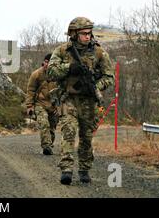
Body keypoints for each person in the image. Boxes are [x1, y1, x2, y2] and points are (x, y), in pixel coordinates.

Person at [47, 17, 114, 185]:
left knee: (86, 136)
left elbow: (109, 77)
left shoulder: (99, 52)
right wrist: (69, 68)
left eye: (90, 33)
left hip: (88, 101)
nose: (88, 36)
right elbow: (51, 72)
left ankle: (84, 168)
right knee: (68, 131)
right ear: (74, 34)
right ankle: (66, 169)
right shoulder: (62, 51)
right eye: (84, 33)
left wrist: (95, 86)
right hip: (68, 99)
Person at [26, 53, 59, 155]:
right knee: (44, 124)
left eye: (50, 62)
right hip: (40, 103)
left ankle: (49, 144)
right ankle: (46, 146)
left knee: (52, 128)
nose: (47, 64)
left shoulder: (57, 74)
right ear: (44, 62)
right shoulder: (36, 74)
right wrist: (30, 106)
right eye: (46, 62)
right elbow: (30, 90)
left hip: (53, 105)